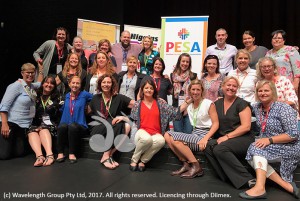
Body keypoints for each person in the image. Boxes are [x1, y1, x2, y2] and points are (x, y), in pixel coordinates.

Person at [239, 80, 300, 199]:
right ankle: (287, 186)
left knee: (254, 148)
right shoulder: (257, 107)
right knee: (253, 150)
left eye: (266, 90)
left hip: (289, 146)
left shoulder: (283, 108)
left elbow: (293, 135)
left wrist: (270, 140)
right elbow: (241, 104)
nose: (263, 93)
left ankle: (260, 187)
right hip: (270, 144)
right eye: (260, 91)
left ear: (273, 92)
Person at [204, 76, 255, 189]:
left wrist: (227, 136)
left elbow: (246, 127)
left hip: (243, 138)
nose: (231, 88)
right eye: (228, 85)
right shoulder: (217, 103)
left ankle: (248, 179)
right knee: (208, 146)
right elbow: (215, 123)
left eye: (234, 86)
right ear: (222, 87)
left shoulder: (242, 104)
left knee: (220, 148)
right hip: (226, 138)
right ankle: (226, 177)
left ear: (237, 88)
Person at [129, 79, 190, 172]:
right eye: (146, 88)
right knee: (146, 139)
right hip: (141, 132)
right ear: (142, 90)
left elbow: (175, 111)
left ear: (154, 90)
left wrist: (187, 102)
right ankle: (134, 159)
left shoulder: (160, 103)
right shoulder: (137, 104)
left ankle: (143, 161)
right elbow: (132, 120)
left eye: (151, 88)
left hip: (156, 133)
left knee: (161, 141)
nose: (149, 90)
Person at [165, 79, 219, 178]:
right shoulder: (190, 106)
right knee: (167, 135)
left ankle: (196, 166)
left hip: (205, 136)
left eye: (198, 90)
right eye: (193, 90)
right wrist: (188, 101)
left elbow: (216, 124)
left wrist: (205, 138)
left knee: (175, 139)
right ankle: (186, 164)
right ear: (189, 91)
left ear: (202, 91)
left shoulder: (208, 103)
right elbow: (176, 114)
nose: (195, 92)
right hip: (194, 134)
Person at [88, 74, 135, 170]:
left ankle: (107, 155)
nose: (106, 84)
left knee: (124, 125)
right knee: (116, 124)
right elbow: (87, 112)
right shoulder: (95, 98)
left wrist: (123, 117)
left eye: (108, 82)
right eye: (104, 82)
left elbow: (137, 105)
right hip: (98, 129)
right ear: (100, 84)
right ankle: (107, 156)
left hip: (112, 127)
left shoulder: (118, 97)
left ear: (112, 84)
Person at [0, 63, 43, 159]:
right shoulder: (15, 86)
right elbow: (4, 106)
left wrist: (40, 69)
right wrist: (4, 124)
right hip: (11, 123)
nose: (30, 75)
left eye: (32, 73)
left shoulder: (32, 86)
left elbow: (40, 82)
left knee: (20, 153)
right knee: (4, 155)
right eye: (28, 72)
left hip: (23, 125)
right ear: (22, 73)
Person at [56, 76, 93, 164]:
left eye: (77, 83)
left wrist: (90, 107)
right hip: (66, 125)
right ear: (69, 84)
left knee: (72, 126)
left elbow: (97, 98)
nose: (75, 85)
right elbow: (61, 109)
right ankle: (60, 153)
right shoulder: (66, 96)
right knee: (62, 126)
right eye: (73, 83)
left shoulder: (84, 94)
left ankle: (72, 153)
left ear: (80, 85)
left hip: (80, 125)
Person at [27, 75, 61, 167]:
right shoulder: (35, 96)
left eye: (51, 83)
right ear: (42, 84)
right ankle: (40, 156)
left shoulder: (57, 98)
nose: (49, 85)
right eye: (47, 82)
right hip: (36, 123)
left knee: (44, 129)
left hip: (51, 124)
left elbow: (58, 115)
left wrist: (41, 126)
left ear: (54, 86)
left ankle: (50, 155)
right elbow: (31, 112)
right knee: (31, 131)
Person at [265, 30, 300, 94]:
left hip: (287, 83)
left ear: (284, 40)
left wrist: (296, 83)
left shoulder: (291, 50)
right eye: (274, 38)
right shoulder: (268, 53)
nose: (276, 40)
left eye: (279, 38)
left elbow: (297, 67)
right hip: (272, 83)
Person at [171, 53, 197, 133]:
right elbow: (170, 91)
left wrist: (187, 103)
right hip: (176, 109)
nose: (185, 64)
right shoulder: (172, 76)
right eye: (183, 61)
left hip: (189, 109)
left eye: (187, 62)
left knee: (188, 133)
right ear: (179, 62)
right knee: (177, 134)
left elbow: (196, 92)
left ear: (189, 64)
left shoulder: (193, 76)